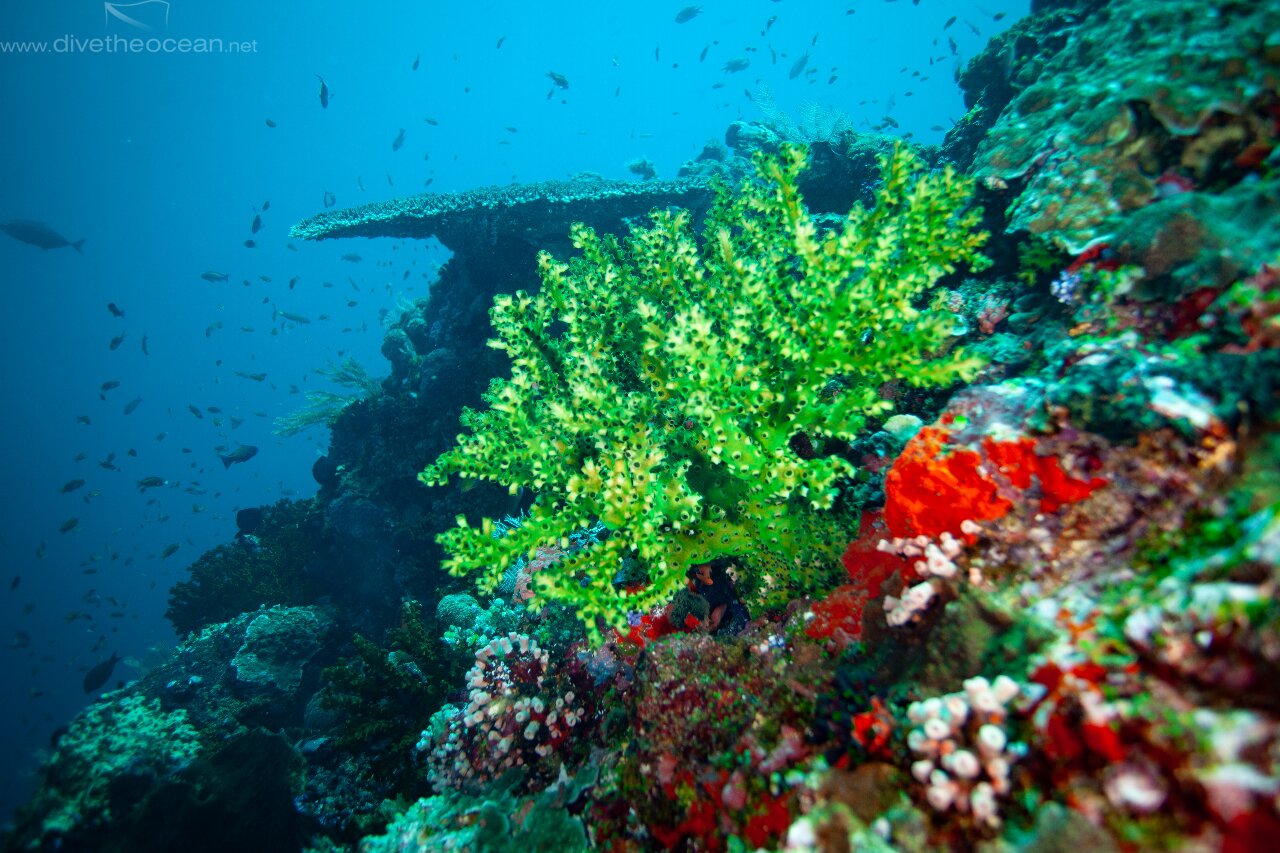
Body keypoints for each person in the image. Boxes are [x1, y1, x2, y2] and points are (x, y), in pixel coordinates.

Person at [686, 559, 749, 636]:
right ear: (716, 627)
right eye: (711, 624)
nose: (707, 623)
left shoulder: (699, 602)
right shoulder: (732, 613)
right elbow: (743, 619)